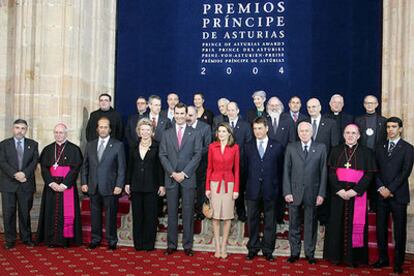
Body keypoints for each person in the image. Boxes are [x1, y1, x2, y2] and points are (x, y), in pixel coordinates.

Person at [323, 124, 376, 267]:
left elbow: (369, 174)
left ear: (359, 135)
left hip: (357, 195)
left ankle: (354, 258)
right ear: (343, 135)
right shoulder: (335, 151)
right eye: (347, 133)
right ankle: (335, 257)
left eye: (353, 133)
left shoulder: (367, 152)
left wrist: (356, 190)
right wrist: (339, 190)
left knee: (355, 225)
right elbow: (331, 173)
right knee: (336, 224)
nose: (350, 135)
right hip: (338, 195)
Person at [159, 102, 202, 256]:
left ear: (186, 114)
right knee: (171, 212)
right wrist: (172, 172)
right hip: (171, 178)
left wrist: (184, 173)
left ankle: (187, 245)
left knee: (188, 212)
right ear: (173, 114)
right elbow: (162, 155)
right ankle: (171, 245)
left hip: (188, 178)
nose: (179, 116)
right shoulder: (166, 133)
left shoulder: (195, 133)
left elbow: (197, 155)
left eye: (181, 113)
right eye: (176, 113)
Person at [373, 117, 414, 274]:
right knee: (381, 229)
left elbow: (405, 172)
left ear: (400, 129)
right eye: (388, 127)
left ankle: (398, 262)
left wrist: (390, 189)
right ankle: (383, 259)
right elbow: (374, 169)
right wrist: (381, 187)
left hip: (398, 196)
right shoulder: (379, 146)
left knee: (399, 231)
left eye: (394, 126)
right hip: (380, 195)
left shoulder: (408, 148)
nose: (390, 129)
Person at [283, 121, 327, 264]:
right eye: (301, 131)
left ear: (312, 132)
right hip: (294, 193)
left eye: (306, 131)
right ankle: (294, 253)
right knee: (293, 225)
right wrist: (287, 191)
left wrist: (321, 194)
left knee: (310, 225)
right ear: (298, 132)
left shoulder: (321, 148)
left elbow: (323, 172)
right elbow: (286, 171)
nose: (304, 133)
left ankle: (310, 253)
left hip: (312, 193)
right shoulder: (291, 147)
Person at [81, 117, 126, 250]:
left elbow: (121, 168)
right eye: (101, 127)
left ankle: (111, 241)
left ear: (109, 129)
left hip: (111, 187)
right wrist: (84, 182)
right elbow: (85, 166)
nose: (103, 129)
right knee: (95, 215)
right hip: (93, 186)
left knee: (110, 215)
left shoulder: (118, 145)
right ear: (97, 129)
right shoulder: (90, 144)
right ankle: (95, 239)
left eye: (105, 127)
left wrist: (119, 185)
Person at [37, 123, 83, 247]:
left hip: (67, 187)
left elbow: (75, 169)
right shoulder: (47, 149)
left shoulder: (74, 149)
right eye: (56, 132)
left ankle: (65, 240)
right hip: (51, 187)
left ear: (66, 133)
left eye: (61, 132)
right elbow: (44, 168)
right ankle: (51, 240)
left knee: (66, 214)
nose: (58, 135)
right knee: (51, 213)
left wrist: (64, 185)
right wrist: (51, 183)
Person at [245, 117, 284, 261]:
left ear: (267, 129)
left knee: (270, 221)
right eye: (255, 129)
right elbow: (244, 169)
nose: (257, 131)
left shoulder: (278, 146)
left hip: (271, 189)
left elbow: (280, 170)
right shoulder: (248, 146)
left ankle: (268, 249)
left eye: (260, 128)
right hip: (252, 189)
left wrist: (279, 189)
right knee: (252, 220)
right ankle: (253, 248)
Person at [125, 118, 166, 251]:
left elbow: (160, 167)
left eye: (148, 129)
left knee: (150, 217)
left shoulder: (157, 146)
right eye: (142, 129)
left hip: (152, 186)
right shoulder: (133, 146)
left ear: (152, 131)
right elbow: (129, 166)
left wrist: (162, 184)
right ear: (138, 131)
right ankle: (139, 244)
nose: (145, 132)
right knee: (138, 216)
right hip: (136, 186)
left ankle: (149, 245)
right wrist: (127, 183)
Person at [0, 119, 39, 249]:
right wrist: (15, 174)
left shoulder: (33, 144)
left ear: (26, 130)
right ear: (13, 129)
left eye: (23, 128)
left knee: (24, 212)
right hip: (8, 184)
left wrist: (24, 174)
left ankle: (26, 238)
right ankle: (10, 239)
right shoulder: (4, 144)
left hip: (26, 184)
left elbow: (34, 162)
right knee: (8, 213)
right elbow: (2, 162)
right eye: (17, 127)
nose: (20, 131)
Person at [205, 123, 239, 259]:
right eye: (219, 131)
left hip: (229, 184)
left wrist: (236, 189)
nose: (221, 134)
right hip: (215, 183)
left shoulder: (235, 148)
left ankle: (224, 245)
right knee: (215, 216)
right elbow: (209, 168)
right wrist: (207, 187)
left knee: (227, 217)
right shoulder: (212, 147)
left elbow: (236, 169)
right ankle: (217, 246)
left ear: (229, 133)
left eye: (224, 131)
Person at [306, 97, 339, 225]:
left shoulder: (330, 123)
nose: (311, 109)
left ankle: (323, 219)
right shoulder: (303, 122)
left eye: (314, 106)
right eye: (309, 107)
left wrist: (329, 165)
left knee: (323, 192)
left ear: (320, 107)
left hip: (323, 165)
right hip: (306, 166)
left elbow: (334, 146)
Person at [355, 95, 387, 212]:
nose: (369, 105)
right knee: (362, 181)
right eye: (367, 103)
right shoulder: (358, 120)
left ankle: (374, 206)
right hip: (362, 157)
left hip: (378, 157)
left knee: (376, 181)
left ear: (377, 105)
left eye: (372, 103)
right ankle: (363, 205)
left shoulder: (383, 121)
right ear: (364, 105)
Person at [227, 101, 253, 222]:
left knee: (240, 190)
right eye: (229, 110)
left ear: (237, 111)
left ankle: (241, 213)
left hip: (241, 164)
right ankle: (227, 213)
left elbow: (248, 145)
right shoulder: (224, 126)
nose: (231, 112)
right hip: (225, 165)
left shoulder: (246, 125)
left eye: (233, 110)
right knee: (227, 190)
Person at [187, 106, 212, 220]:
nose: (188, 117)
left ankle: (200, 211)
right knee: (187, 190)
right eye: (186, 115)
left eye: (191, 115)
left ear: (197, 115)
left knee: (200, 189)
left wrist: (195, 155)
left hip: (201, 164)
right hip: (185, 165)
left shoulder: (205, 127)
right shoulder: (183, 126)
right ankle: (188, 211)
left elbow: (208, 146)